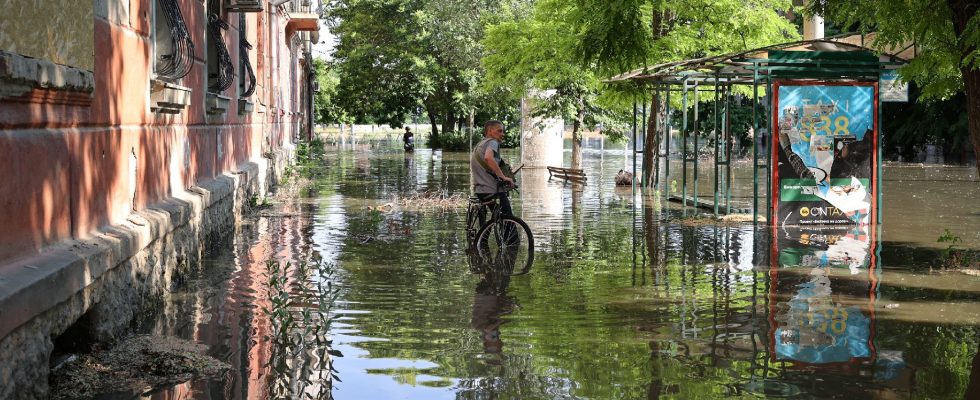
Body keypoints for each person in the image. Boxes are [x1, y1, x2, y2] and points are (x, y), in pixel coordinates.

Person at [470, 120, 515, 216]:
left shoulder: (480, 144)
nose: (502, 134)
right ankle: (509, 230)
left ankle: (485, 231)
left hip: (480, 191)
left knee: (496, 216)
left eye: (503, 131)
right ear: (490, 131)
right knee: (509, 220)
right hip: (491, 190)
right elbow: (488, 158)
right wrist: (503, 176)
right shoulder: (493, 142)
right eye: (499, 131)